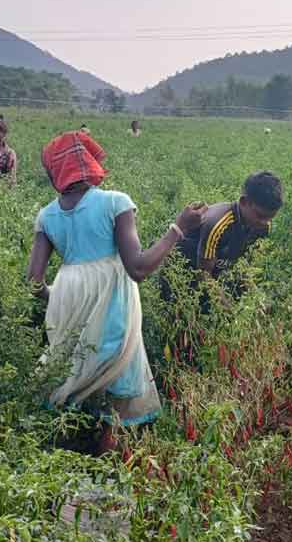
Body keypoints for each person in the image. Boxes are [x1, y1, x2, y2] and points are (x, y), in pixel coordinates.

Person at [26, 129, 206, 452]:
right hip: (112, 300)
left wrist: (59, 298)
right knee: (117, 382)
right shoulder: (114, 202)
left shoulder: (46, 216)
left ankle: (65, 464)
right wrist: (179, 228)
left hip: (68, 300)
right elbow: (137, 268)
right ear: (89, 164)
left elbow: (33, 282)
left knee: (72, 373)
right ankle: (106, 471)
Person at [176, 171, 284, 282]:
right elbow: (204, 276)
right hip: (181, 275)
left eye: (271, 217)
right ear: (243, 202)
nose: (265, 222)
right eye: (260, 216)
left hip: (216, 274)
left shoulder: (263, 226)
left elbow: (245, 269)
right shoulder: (217, 224)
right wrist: (226, 300)